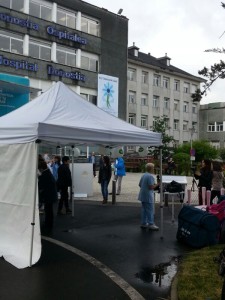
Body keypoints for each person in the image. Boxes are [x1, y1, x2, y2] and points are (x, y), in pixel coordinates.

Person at [138, 163, 159, 230]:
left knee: (144, 210)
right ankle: (151, 223)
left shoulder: (144, 175)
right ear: (151, 168)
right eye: (153, 168)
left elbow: (140, 184)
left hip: (142, 195)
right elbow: (151, 187)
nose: (154, 169)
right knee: (150, 210)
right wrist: (158, 184)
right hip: (148, 196)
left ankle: (144, 223)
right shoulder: (150, 176)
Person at [38, 160, 57, 232]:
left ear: (41, 168)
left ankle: (48, 225)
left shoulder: (45, 174)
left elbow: (41, 186)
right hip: (50, 196)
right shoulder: (47, 173)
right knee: (49, 211)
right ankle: (48, 224)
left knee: (49, 211)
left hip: (48, 196)